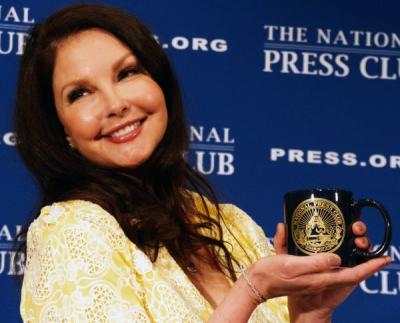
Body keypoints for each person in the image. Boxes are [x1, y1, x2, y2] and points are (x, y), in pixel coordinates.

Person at [15, 4, 390, 323]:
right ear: (59, 127)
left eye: (127, 73)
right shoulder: (69, 231)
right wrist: (250, 291)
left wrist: (310, 312)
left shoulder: (230, 224)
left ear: (159, 81)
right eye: (80, 93)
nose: (115, 104)